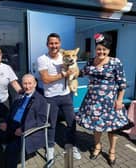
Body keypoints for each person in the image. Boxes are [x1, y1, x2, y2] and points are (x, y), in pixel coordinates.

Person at [77, 32, 129, 166]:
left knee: (112, 128)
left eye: (104, 49)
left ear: (108, 50)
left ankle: (112, 151)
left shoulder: (115, 62)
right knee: (97, 126)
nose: (101, 51)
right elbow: (81, 73)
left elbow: (122, 83)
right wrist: (69, 67)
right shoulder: (90, 61)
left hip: (110, 101)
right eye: (99, 49)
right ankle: (97, 147)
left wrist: (119, 100)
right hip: (93, 100)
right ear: (96, 49)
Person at [0, 74, 48, 168]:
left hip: (26, 131)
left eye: (30, 83)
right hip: (11, 127)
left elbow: (41, 120)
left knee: (11, 149)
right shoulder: (19, 96)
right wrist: (5, 122)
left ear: (35, 84)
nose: (27, 86)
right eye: (25, 84)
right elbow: (11, 112)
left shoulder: (41, 100)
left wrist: (23, 128)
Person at [37, 33, 81, 162]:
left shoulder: (65, 56)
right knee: (51, 124)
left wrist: (75, 72)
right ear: (47, 44)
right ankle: (50, 148)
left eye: (56, 43)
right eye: (51, 43)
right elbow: (45, 79)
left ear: (60, 44)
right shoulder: (42, 59)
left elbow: (76, 71)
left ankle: (72, 146)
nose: (54, 46)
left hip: (66, 95)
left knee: (71, 122)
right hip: (50, 97)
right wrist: (64, 74)